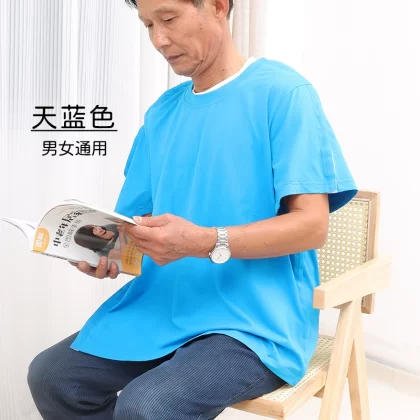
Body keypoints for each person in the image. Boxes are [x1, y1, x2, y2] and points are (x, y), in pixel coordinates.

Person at [27, 0, 358, 419]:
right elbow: (134, 225)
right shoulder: (163, 113)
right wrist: (103, 251)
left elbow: (312, 226)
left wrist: (203, 241)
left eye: (168, 19)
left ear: (218, 6)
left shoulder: (284, 94)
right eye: (148, 24)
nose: (159, 39)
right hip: (164, 305)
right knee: (53, 377)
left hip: (253, 321)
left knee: (146, 406)